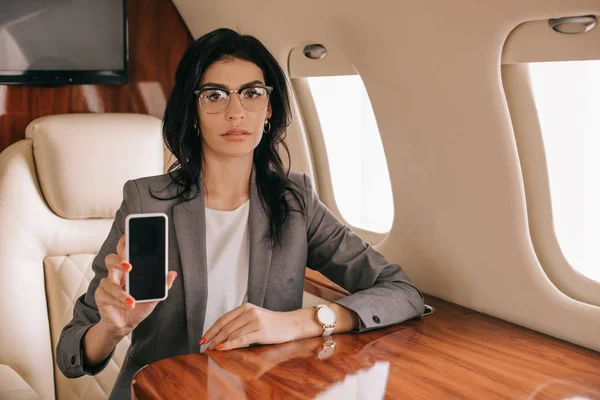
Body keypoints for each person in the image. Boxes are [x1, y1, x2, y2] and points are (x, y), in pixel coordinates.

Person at [56, 27, 425, 399]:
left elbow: (401, 291)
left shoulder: (295, 201)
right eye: (215, 95)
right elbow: (70, 352)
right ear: (193, 111)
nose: (236, 112)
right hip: (160, 392)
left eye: (252, 93)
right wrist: (111, 329)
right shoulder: (146, 200)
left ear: (268, 110)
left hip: (263, 391)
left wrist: (303, 322)